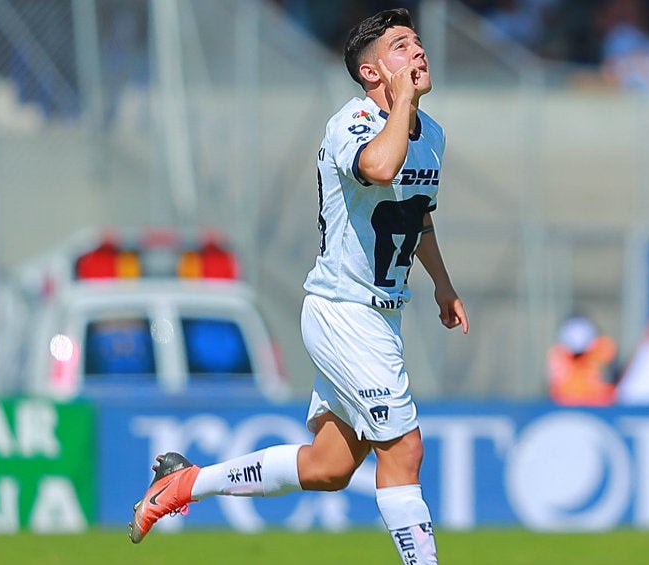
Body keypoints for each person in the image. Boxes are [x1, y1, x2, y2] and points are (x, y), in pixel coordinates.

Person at [128, 8, 469, 565]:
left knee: (330, 467)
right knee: (404, 448)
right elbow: (380, 169)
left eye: (417, 43)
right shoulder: (352, 124)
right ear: (371, 74)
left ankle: (185, 483)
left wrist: (443, 285)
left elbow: (417, 214)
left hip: (383, 315)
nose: (419, 53)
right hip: (344, 311)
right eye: (402, 47)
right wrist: (402, 101)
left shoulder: (431, 135)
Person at [546, 315, 617, 406]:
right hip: (567, 408)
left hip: (601, 407)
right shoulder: (558, 355)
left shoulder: (603, 350)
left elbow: (611, 380)